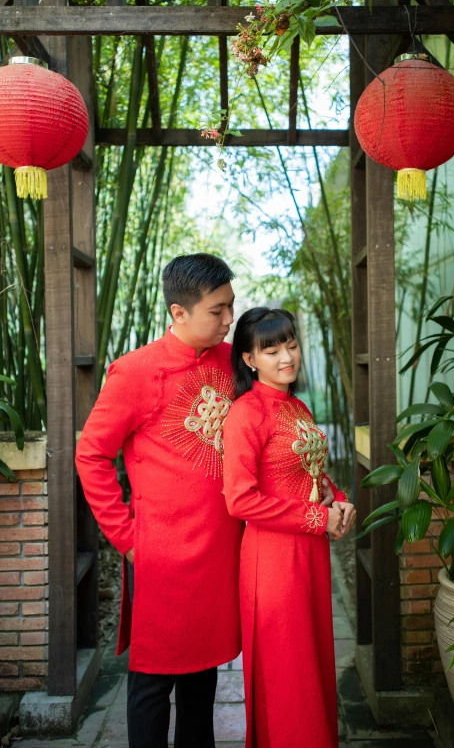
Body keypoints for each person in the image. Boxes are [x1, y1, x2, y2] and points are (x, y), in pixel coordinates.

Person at [75, 253, 244, 748]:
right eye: (217, 310)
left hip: (217, 551)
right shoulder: (134, 373)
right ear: (179, 313)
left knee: (202, 679)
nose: (228, 319)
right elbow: (91, 456)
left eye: (230, 307)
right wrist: (126, 537)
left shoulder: (231, 363)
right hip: (162, 554)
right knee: (152, 683)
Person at [223, 307, 356, 748]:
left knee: (314, 662)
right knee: (288, 671)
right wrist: (318, 517)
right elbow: (240, 499)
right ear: (249, 359)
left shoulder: (297, 405)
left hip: (310, 552)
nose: (287, 357)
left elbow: (310, 471)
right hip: (274, 560)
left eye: (292, 344)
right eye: (272, 349)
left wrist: (337, 500)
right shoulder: (246, 413)